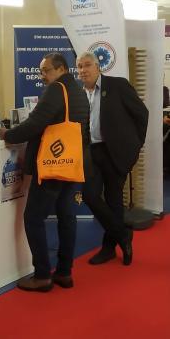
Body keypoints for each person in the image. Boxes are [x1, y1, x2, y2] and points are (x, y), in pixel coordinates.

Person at [0, 52, 90, 292]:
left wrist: (8, 134)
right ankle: (64, 272)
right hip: (71, 162)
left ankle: (42, 275)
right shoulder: (78, 91)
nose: (42, 76)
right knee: (67, 216)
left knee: (33, 217)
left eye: (45, 70)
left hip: (52, 165)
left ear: (60, 69)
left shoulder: (56, 89)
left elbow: (35, 123)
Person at [76, 52, 149, 266]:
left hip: (115, 152)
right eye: (79, 66)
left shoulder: (117, 85)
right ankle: (123, 235)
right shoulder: (79, 94)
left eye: (87, 65)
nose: (83, 70)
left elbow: (141, 114)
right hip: (92, 151)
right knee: (89, 196)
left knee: (114, 199)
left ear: (98, 67)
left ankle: (108, 248)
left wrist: (135, 145)